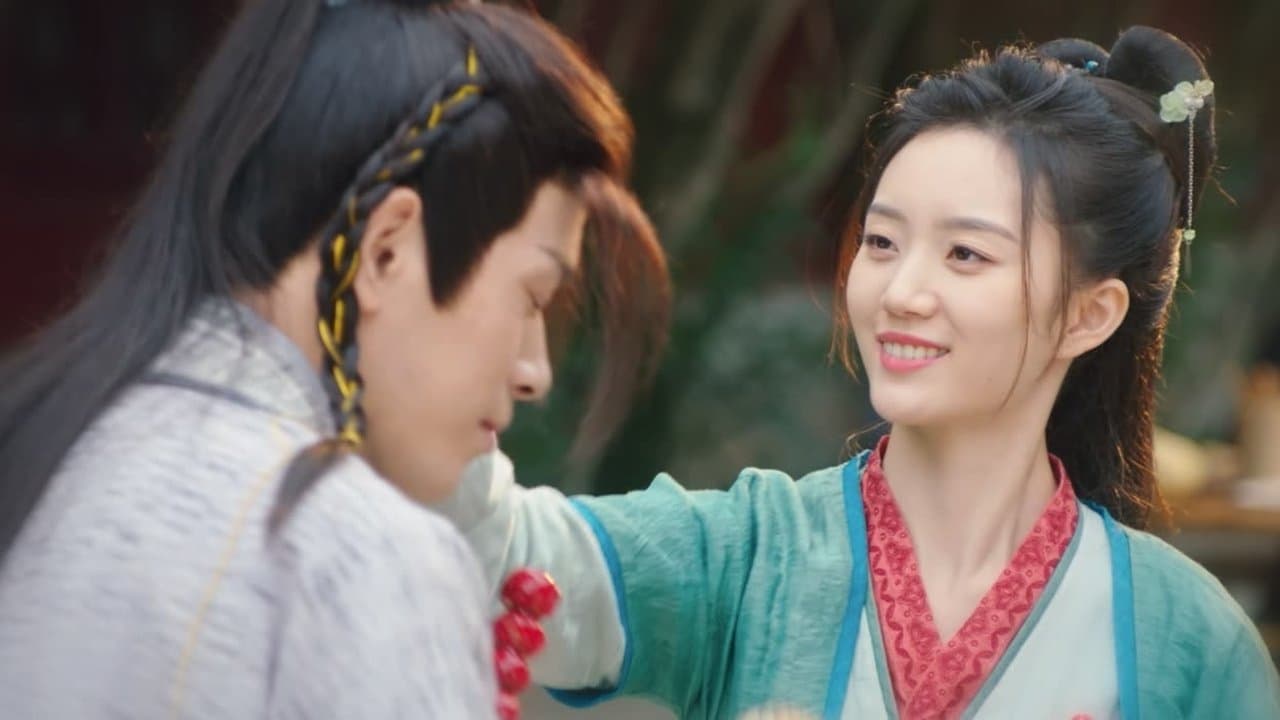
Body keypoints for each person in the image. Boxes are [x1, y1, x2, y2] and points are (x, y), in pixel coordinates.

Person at [440, 26, 1280, 719]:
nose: (900, 291)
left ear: (1089, 314)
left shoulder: (1188, 641)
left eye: (965, 253)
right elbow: (497, 547)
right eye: (882, 242)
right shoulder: (745, 554)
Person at [0, 1, 668, 718]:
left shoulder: (51, 443)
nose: (535, 372)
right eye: (532, 297)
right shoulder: (361, 554)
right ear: (385, 252)